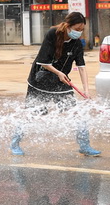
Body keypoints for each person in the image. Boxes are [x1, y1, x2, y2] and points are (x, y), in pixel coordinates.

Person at [10, 11, 100, 156]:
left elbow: (81, 68)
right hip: (40, 80)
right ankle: (15, 143)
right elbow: (42, 61)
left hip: (61, 82)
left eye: (82, 30)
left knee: (76, 114)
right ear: (68, 26)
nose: (79, 33)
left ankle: (84, 145)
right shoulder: (53, 34)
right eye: (77, 29)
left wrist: (86, 90)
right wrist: (58, 73)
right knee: (33, 114)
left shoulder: (76, 43)